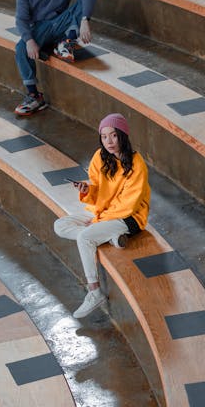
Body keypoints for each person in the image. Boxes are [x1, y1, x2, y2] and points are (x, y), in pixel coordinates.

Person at [54, 113, 150, 319]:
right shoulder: (100, 156)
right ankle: (110, 237)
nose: (109, 142)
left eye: (114, 136)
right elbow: (97, 187)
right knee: (60, 225)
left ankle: (94, 291)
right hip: (103, 212)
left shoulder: (136, 163)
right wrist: (86, 188)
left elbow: (129, 204)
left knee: (84, 237)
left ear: (123, 136)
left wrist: (99, 220)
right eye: (104, 137)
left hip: (129, 218)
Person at [14, 0, 96, 116]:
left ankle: (67, 42)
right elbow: (21, 19)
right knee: (21, 48)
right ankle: (34, 96)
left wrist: (84, 20)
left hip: (60, 23)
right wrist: (29, 40)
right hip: (40, 28)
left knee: (82, 2)